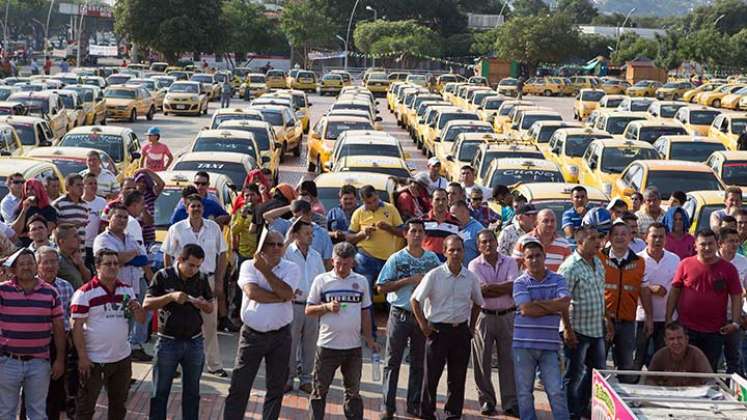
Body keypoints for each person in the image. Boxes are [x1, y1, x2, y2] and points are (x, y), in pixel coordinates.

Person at [223, 231, 298, 419]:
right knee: (240, 385)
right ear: (262, 247)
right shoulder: (248, 265)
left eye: (280, 245)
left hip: (281, 336)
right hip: (252, 335)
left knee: (276, 387)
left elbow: (287, 293)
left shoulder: (291, 268)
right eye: (272, 244)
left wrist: (265, 271)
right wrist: (281, 297)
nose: (276, 248)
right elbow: (252, 293)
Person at [411, 235, 485, 420]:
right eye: (451, 250)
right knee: (432, 377)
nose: (456, 253)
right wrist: (424, 327)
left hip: (460, 332)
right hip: (437, 332)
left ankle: (453, 413)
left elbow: (478, 302)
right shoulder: (434, 275)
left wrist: (471, 327)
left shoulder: (470, 277)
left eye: (459, 250)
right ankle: (427, 413)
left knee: (457, 377)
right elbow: (415, 300)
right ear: (444, 251)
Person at [305, 242, 379, 420]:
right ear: (332, 261)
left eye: (346, 264)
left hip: (353, 348)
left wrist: (369, 338)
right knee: (319, 391)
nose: (341, 267)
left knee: (353, 391)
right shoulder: (321, 280)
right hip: (327, 346)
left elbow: (365, 311)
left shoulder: (360, 282)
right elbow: (308, 310)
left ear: (353, 262)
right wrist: (326, 307)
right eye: (338, 263)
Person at [376, 219, 441, 419]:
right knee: (392, 361)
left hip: (422, 316)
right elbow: (381, 287)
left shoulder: (432, 259)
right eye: (413, 231)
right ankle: (387, 406)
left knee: (419, 363)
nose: (417, 235)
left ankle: (415, 405)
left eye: (420, 231)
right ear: (405, 234)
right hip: (400, 314)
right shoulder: (396, 259)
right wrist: (408, 281)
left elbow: (441, 281)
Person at [71, 248, 146, 420]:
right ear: (97, 267)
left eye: (115, 264)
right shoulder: (84, 293)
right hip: (94, 360)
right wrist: (82, 357)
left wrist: (139, 310)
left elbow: (141, 320)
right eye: (108, 264)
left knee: (118, 407)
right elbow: (76, 327)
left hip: (121, 358)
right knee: (86, 407)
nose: (113, 267)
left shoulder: (126, 290)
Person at [144, 244, 213, 420]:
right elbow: (147, 304)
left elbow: (210, 307)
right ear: (180, 259)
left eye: (198, 266)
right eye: (191, 265)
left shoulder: (202, 278)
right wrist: (170, 297)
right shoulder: (163, 276)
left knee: (192, 393)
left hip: (194, 341)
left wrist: (204, 305)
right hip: (168, 341)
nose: (194, 270)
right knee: (160, 392)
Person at [162, 195, 229, 377]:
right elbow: (167, 254)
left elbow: (222, 254)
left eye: (199, 206)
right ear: (186, 207)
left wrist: (219, 281)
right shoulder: (176, 228)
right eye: (193, 206)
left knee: (210, 324)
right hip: (182, 281)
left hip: (207, 279)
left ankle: (214, 365)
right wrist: (170, 278)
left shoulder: (213, 228)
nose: (196, 209)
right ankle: (174, 366)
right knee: (178, 322)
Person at [0, 249, 65, 420]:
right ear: (14, 269)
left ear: (36, 266)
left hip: (39, 362)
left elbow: (59, 328)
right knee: (5, 412)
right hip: (8, 362)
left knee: (37, 413)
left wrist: (59, 359)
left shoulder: (50, 292)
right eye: (21, 264)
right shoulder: (2, 291)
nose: (26, 267)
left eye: (30, 263)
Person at [666, 229, 743, 371]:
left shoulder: (729, 269)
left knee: (709, 369)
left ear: (717, 245)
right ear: (695, 245)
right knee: (686, 368)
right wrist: (669, 317)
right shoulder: (685, 264)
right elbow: (675, 291)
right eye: (703, 244)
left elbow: (736, 296)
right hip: (687, 328)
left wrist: (736, 322)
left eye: (710, 244)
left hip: (715, 330)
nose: (707, 248)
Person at [559, 209, 610, 420]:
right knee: (573, 376)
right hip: (577, 332)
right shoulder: (569, 267)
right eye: (592, 239)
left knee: (595, 374)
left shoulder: (598, 262)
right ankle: (569, 414)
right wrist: (568, 331)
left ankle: (582, 409)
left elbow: (600, 294)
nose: (597, 242)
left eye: (598, 238)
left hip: (596, 330)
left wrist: (607, 319)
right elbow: (562, 303)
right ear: (580, 243)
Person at [512, 240, 571, 420]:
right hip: (523, 345)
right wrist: (552, 305)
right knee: (524, 392)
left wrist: (536, 304)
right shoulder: (519, 282)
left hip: (550, 346)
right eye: (529, 257)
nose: (534, 260)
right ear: (524, 261)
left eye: (538, 255)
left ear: (545, 257)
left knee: (556, 391)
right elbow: (526, 309)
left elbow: (565, 303)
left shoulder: (558, 279)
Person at [469, 229, 519, 417]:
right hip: (483, 317)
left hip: (507, 316)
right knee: (482, 361)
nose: (488, 244)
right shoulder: (473, 265)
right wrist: (502, 287)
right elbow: (480, 292)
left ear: (497, 242)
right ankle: (486, 401)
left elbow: (514, 286)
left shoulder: (511, 262)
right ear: (478, 246)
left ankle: (510, 402)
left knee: (509, 361)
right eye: (484, 242)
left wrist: (490, 288)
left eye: (491, 240)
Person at [94, 204, 152, 362]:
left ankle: (130, 352)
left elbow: (142, 259)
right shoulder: (102, 239)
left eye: (125, 217)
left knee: (133, 322)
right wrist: (128, 257)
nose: (122, 220)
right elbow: (111, 259)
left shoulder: (130, 238)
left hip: (134, 286)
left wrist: (127, 258)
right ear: (109, 218)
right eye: (118, 216)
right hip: (114, 289)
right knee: (118, 324)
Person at [600, 219, 653, 382]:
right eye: (615, 234)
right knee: (598, 365)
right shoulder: (599, 258)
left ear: (631, 236)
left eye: (624, 234)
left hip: (627, 322)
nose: (620, 237)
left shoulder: (639, 262)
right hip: (602, 321)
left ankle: (624, 403)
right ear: (609, 237)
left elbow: (644, 291)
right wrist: (604, 317)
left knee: (626, 366)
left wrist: (649, 318)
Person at [32, 246, 75, 420]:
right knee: (32, 392)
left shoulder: (66, 287)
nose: (50, 266)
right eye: (46, 262)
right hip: (34, 344)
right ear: (38, 265)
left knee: (55, 392)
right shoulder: (29, 286)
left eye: (54, 261)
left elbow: (71, 318)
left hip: (59, 344)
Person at [283, 220, 326, 394]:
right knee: (290, 344)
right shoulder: (287, 253)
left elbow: (322, 279)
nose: (310, 237)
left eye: (311, 234)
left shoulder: (315, 255)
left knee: (310, 344)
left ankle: (306, 379)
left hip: (312, 306)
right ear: (296, 234)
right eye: (307, 233)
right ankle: (288, 379)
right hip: (292, 305)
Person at [346, 185, 403, 304]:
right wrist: (362, 234)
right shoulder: (358, 213)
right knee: (366, 296)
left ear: (377, 195)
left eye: (374, 200)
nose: (372, 204)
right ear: (362, 201)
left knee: (392, 296)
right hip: (365, 260)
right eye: (368, 203)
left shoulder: (390, 209)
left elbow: (403, 233)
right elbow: (349, 239)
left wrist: (388, 228)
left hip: (387, 260)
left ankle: (391, 322)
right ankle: (369, 322)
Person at [634, 223, 680, 369]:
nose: (658, 240)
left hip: (667, 318)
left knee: (663, 360)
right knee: (637, 358)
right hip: (642, 317)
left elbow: (678, 287)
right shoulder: (636, 260)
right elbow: (632, 287)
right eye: (654, 236)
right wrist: (651, 288)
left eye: (661, 236)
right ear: (645, 238)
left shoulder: (674, 259)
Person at [266, 199, 333, 269]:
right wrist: (290, 207)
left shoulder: (322, 233)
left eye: (299, 217)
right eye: (295, 217)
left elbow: (327, 260)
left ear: (309, 214)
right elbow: (267, 216)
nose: (296, 220)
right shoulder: (289, 226)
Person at [646, 321, 713, 387]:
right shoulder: (659, 355)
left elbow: (710, 380)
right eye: (671, 339)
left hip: (692, 395)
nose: (676, 342)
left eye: (679, 338)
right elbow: (649, 379)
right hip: (667, 395)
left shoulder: (697, 354)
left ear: (686, 339)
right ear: (665, 341)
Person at [718, 227, 747, 375]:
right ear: (721, 243)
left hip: (735, 319)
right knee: (713, 359)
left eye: (736, 241)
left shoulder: (743, 262)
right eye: (730, 241)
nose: (734, 244)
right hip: (713, 318)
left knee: (734, 359)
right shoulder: (711, 260)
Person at [11, 178, 58, 243]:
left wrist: (26, 234)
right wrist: (24, 211)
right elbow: (16, 231)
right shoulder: (20, 209)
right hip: (24, 244)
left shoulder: (49, 209)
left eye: (32, 189)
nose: (29, 192)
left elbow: (48, 230)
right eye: (27, 189)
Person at [53, 173, 89, 250]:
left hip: (81, 250)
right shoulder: (59, 203)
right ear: (68, 187)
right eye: (78, 185)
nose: (81, 188)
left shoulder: (85, 205)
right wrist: (71, 224)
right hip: (64, 251)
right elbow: (52, 224)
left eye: (82, 185)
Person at [422, 188, 460, 261]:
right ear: (431, 201)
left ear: (447, 201)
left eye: (443, 199)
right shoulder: (422, 221)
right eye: (437, 199)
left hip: (445, 267)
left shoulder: (456, 223)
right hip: (424, 265)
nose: (440, 203)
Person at [56, 224, 92, 290]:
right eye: (75, 236)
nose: (79, 239)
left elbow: (88, 279)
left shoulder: (75, 256)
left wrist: (80, 265)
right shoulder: (56, 261)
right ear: (62, 241)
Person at [134, 169, 164, 247]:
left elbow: (161, 184)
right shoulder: (131, 196)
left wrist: (146, 170)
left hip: (149, 235)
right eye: (139, 181)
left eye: (144, 182)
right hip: (135, 233)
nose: (142, 184)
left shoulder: (150, 194)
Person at [82, 172, 107, 268]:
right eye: (90, 183)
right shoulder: (80, 203)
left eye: (95, 183)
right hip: (83, 246)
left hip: (97, 245)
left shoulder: (102, 202)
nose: (93, 186)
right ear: (84, 186)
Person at [450, 200, 485, 264]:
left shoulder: (478, 229)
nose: (450, 216)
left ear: (464, 212)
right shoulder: (451, 227)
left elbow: (484, 255)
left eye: (453, 213)